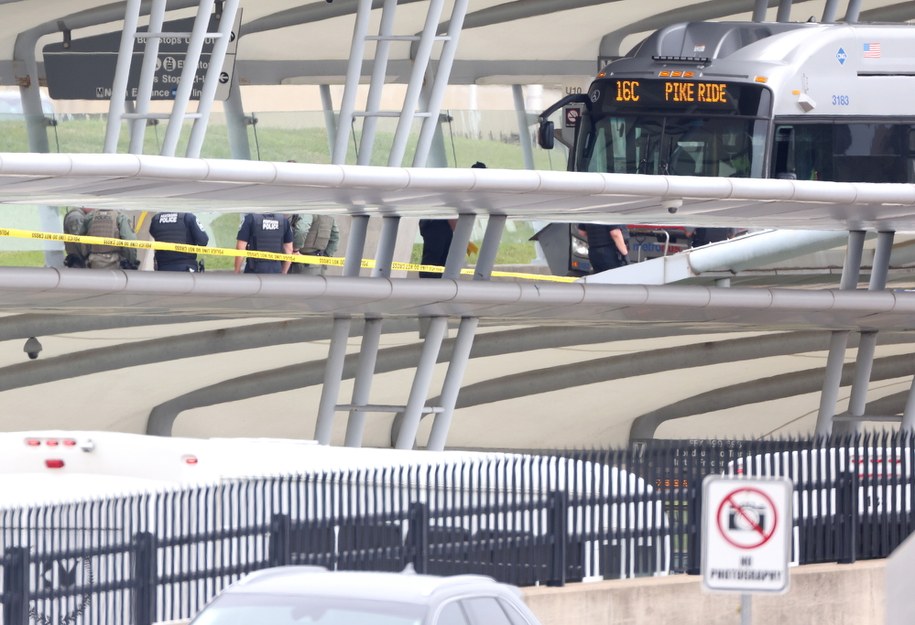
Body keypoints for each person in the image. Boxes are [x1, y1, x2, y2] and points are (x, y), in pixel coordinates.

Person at [418, 161, 486, 278]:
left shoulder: (466, 184)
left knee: (444, 257)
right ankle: (428, 283)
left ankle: (438, 285)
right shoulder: (463, 185)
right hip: (436, 223)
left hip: (441, 224)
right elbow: (451, 212)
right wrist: (462, 238)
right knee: (434, 257)